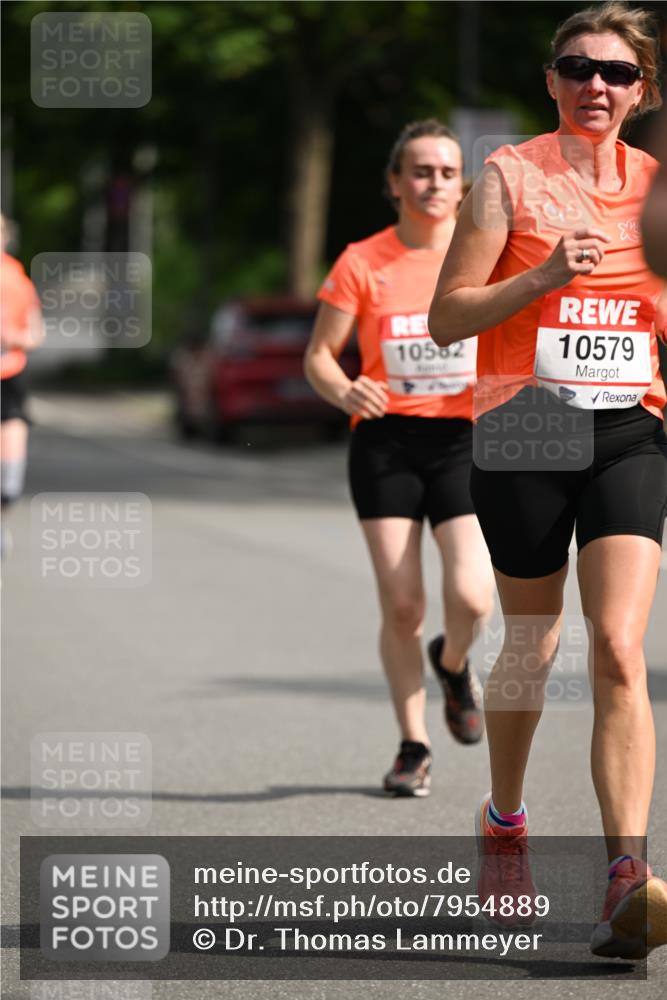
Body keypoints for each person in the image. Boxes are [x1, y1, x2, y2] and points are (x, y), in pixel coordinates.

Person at [429, 1, 667, 959]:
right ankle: (505, 822)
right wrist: (539, 280)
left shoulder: (656, 188)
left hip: (628, 427)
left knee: (619, 647)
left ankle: (626, 877)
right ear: (551, 81)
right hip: (525, 424)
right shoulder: (507, 175)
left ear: (641, 90)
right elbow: (447, 315)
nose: (595, 85)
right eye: (577, 68)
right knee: (531, 643)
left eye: (615, 73)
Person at [304, 120, 494, 798]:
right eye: (420, 171)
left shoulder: (485, 256)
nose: (433, 183)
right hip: (386, 441)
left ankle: (453, 662)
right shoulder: (363, 260)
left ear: (461, 184)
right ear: (394, 183)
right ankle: (414, 745)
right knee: (404, 605)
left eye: (446, 172)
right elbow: (319, 357)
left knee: (472, 595)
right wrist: (344, 389)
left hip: (464, 439)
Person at [1, 216, 44, 556]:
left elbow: (35, 333)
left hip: (8, 377)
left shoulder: (18, 279)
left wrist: (13, 337)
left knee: (8, 487)